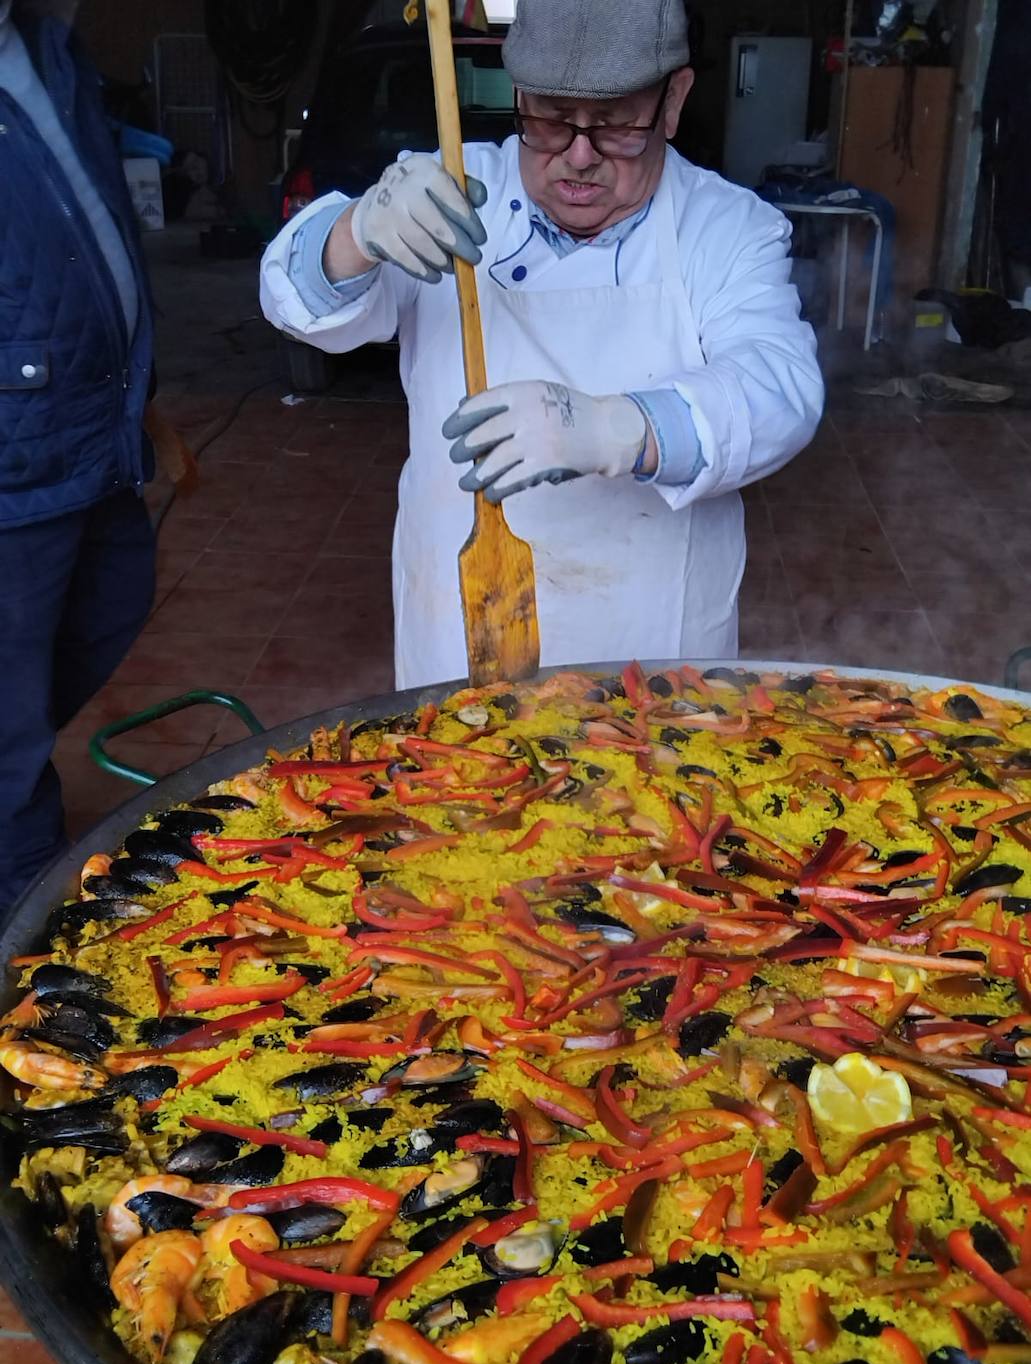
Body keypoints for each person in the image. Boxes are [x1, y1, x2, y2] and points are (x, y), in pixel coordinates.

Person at [261, 0, 823, 691]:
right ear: (518, 96)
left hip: (653, 641)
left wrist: (619, 427)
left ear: (672, 102)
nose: (579, 156)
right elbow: (296, 302)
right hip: (465, 625)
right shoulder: (451, 191)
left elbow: (779, 387)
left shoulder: (726, 226)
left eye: (616, 125)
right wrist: (354, 233)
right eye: (551, 121)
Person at [0, 0, 156, 916]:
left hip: (91, 425)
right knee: (8, 717)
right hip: (14, 456)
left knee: (112, 600)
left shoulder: (46, 45)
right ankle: (26, 906)